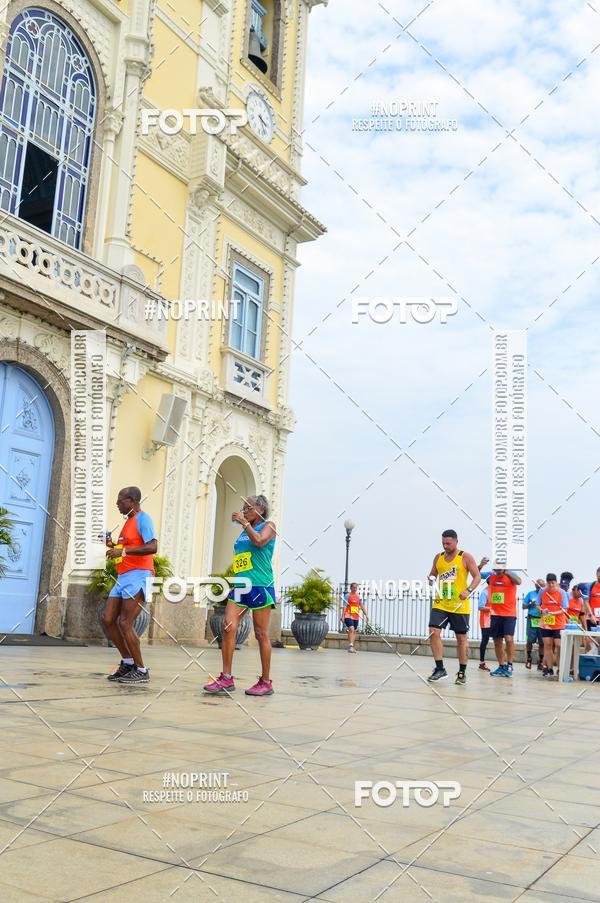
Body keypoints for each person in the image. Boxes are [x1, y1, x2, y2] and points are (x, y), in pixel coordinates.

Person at [204, 495, 276, 697]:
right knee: (228, 626)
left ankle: (266, 681)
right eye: (243, 508)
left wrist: (244, 523)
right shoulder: (243, 532)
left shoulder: (269, 526)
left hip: (261, 585)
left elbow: (260, 542)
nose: (244, 511)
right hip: (241, 585)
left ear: (260, 510)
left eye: (248, 508)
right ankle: (226, 678)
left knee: (261, 633)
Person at [102, 487, 157, 684]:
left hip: (140, 575)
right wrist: (112, 545)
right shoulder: (128, 522)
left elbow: (152, 546)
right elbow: (125, 549)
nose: (117, 504)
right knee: (108, 619)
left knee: (125, 622)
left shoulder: (144, 519)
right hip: (123, 576)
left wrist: (122, 552)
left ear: (132, 501)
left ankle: (141, 670)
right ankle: (127, 662)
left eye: (120, 501)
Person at [427, 529, 481, 685]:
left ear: (456, 542)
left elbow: (477, 576)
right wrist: (431, 579)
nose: (445, 546)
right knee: (433, 631)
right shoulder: (438, 557)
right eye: (443, 543)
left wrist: (468, 590)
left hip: (459, 604)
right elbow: (433, 573)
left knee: (461, 639)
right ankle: (440, 669)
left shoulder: (465, 557)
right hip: (441, 602)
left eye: (448, 543)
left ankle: (462, 673)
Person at [489, 569, 522, 677]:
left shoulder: (511, 575)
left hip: (509, 614)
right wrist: (481, 565)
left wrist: (506, 572)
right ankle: (501, 666)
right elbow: (478, 575)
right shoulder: (491, 576)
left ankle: (510, 664)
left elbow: (519, 581)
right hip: (495, 614)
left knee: (509, 639)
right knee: (497, 641)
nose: (497, 569)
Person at [537, 573, 569, 679]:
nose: (551, 585)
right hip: (546, 622)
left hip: (559, 622)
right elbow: (537, 605)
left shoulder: (562, 592)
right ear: (547, 583)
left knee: (559, 645)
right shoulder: (542, 591)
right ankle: (549, 668)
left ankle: (560, 668)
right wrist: (542, 610)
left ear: (556, 583)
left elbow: (565, 609)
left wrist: (553, 613)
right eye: (549, 583)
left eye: (553, 583)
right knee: (548, 644)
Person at [523, 578, 545, 670]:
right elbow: (523, 606)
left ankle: (540, 662)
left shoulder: (546, 594)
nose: (539, 588)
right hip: (532, 619)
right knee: (529, 641)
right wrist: (530, 604)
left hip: (542, 619)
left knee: (542, 642)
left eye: (542, 586)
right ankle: (529, 659)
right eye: (538, 585)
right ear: (535, 585)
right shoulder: (530, 594)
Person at [341, 582, 369, 653]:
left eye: (356, 588)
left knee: (354, 631)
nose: (355, 589)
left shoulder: (358, 597)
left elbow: (361, 606)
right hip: (348, 614)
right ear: (351, 588)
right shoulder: (347, 596)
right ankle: (350, 646)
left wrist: (366, 615)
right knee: (351, 628)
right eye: (353, 587)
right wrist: (342, 616)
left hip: (355, 616)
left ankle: (351, 646)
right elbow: (344, 606)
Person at [477, 583, 492, 671]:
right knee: (485, 640)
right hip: (486, 620)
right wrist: (493, 608)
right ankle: (482, 663)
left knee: (498, 639)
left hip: (495, 619)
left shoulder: (497, 591)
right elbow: (480, 607)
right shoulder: (485, 592)